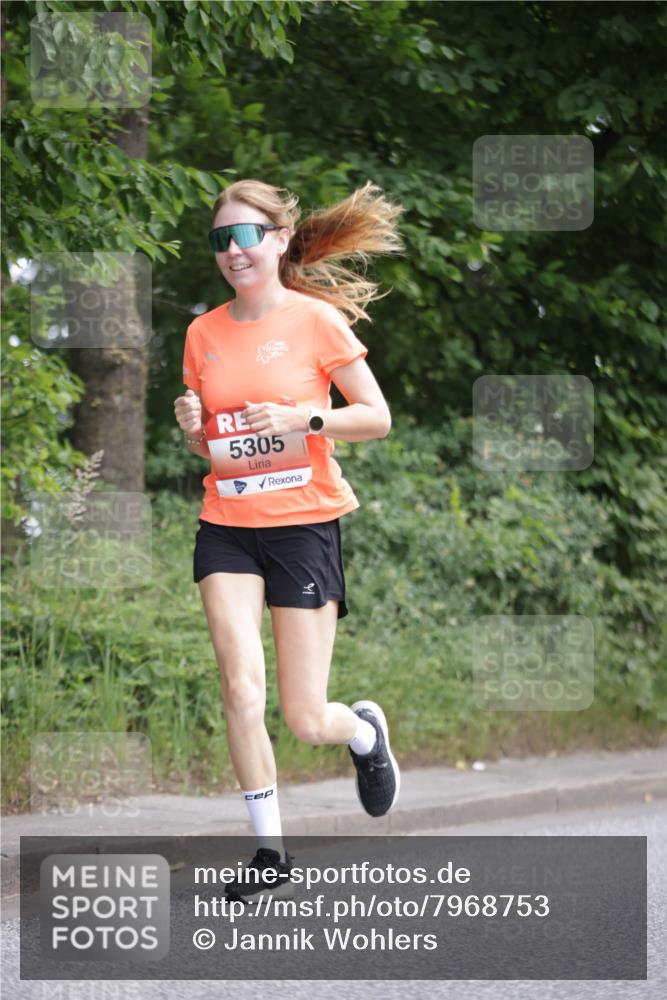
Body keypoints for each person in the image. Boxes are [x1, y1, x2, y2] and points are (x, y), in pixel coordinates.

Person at [173, 178, 403, 904]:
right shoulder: (202, 333)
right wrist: (193, 434)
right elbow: (215, 453)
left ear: (276, 240)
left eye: (245, 236)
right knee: (241, 687)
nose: (232, 251)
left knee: (306, 718)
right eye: (220, 240)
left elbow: (375, 417)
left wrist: (304, 421)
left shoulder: (316, 321)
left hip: (303, 526)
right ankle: (269, 852)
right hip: (227, 528)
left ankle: (362, 734)